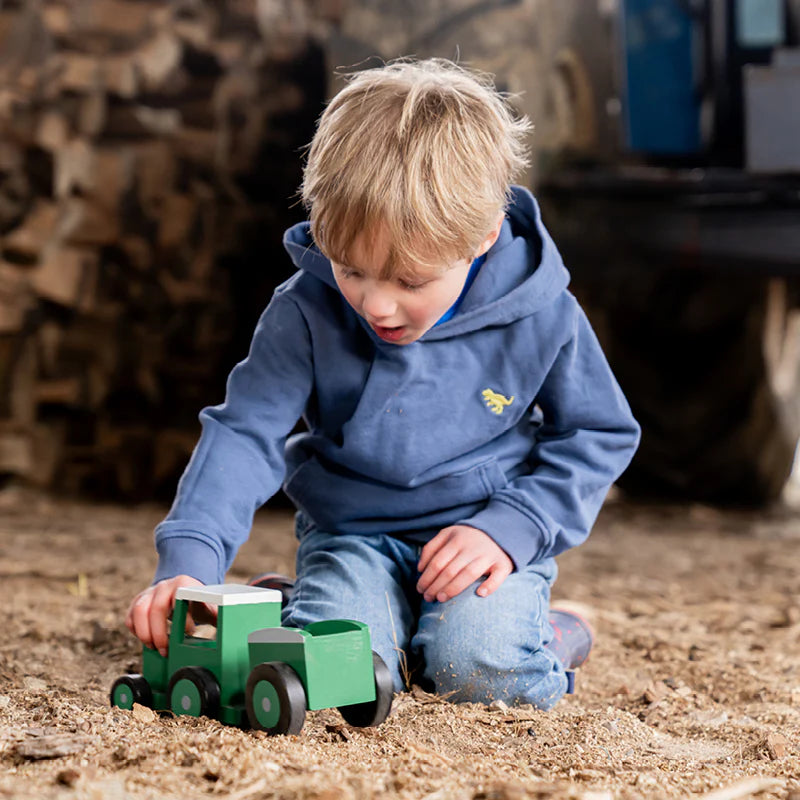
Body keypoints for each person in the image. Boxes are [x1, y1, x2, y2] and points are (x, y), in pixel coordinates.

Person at [126, 58, 640, 709]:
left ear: (481, 238)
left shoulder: (541, 312)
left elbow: (597, 432)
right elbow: (245, 432)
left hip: (479, 537)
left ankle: (556, 630)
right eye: (351, 269)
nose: (376, 305)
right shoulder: (305, 309)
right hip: (354, 534)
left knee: (480, 676)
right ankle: (305, 604)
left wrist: (513, 527)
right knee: (342, 682)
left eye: (410, 282)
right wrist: (190, 563)